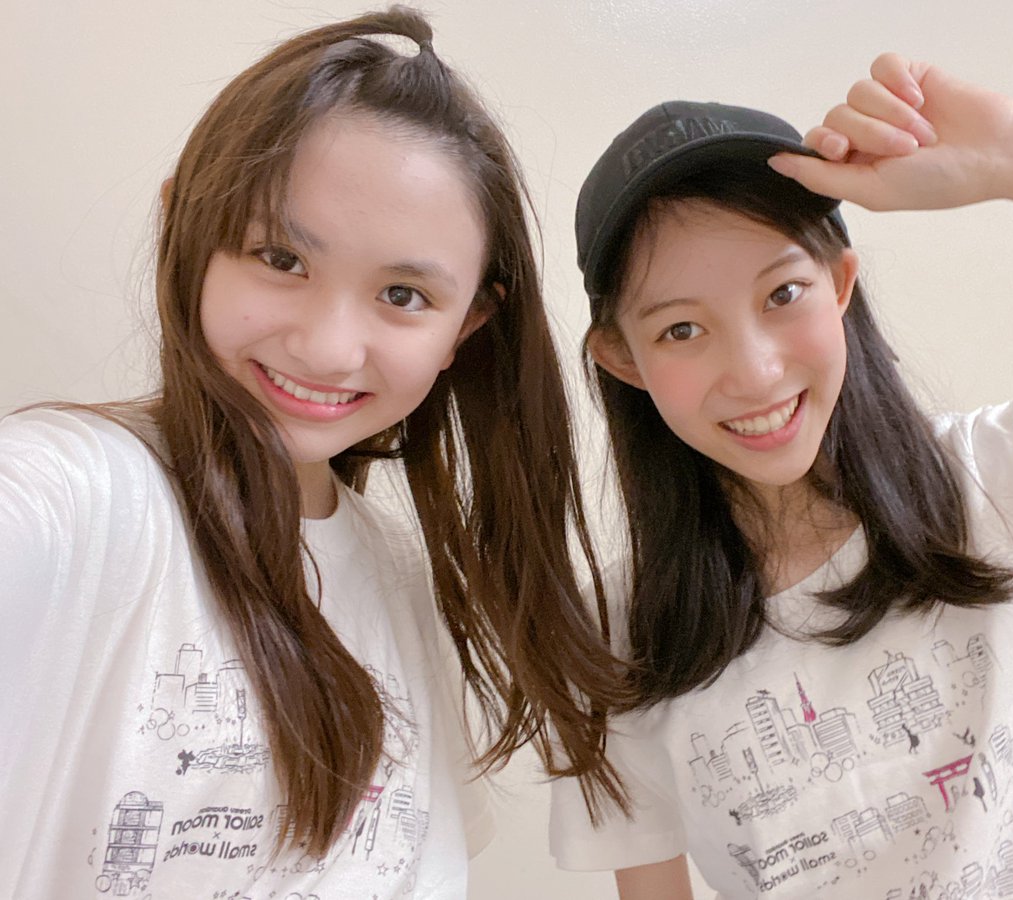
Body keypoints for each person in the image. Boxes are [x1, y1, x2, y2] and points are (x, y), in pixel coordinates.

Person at [0, 6, 626, 897]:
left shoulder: (397, 571)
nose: (329, 349)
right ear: (186, 230)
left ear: (466, 326)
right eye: (281, 258)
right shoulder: (79, 494)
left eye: (403, 294)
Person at [549, 54, 1013, 899]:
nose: (754, 372)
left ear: (840, 285)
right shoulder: (619, 633)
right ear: (623, 360)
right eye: (681, 330)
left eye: (782, 293)